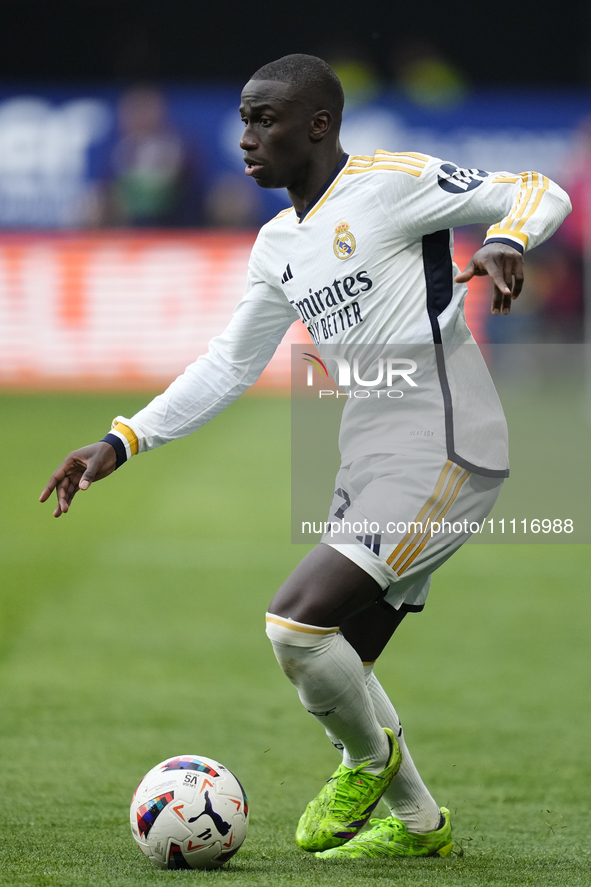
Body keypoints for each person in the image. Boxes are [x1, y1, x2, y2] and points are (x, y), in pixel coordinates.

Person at [40, 55, 571, 863]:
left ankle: (367, 762)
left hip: (444, 442)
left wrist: (504, 237)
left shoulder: (392, 182)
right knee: (340, 663)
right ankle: (418, 823)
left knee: (294, 624)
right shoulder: (277, 243)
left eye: (264, 120)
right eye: (244, 120)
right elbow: (228, 364)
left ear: (318, 125)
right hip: (369, 452)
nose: (245, 138)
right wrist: (123, 439)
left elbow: (540, 188)